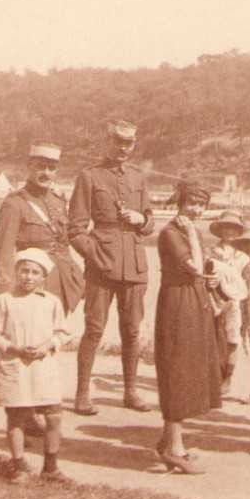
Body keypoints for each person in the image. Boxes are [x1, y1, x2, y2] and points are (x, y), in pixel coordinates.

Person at [0, 141, 84, 436]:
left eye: (51, 167)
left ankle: (40, 405)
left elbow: (64, 242)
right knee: (25, 345)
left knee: (48, 345)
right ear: (29, 167)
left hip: (59, 281)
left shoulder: (57, 200)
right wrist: (6, 292)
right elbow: (4, 250)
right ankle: (26, 414)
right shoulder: (14, 203)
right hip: (29, 284)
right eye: (40, 166)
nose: (46, 172)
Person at [67, 120, 155, 415]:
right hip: (101, 269)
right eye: (118, 141)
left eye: (129, 143)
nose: (123, 148)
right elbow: (75, 230)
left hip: (135, 267)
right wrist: (96, 256)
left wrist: (141, 220)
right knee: (94, 330)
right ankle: (82, 394)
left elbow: (150, 222)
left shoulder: (138, 176)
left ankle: (130, 392)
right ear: (107, 141)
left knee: (132, 331)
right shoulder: (89, 176)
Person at [0, 248, 73, 484]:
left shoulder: (51, 302)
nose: (29, 277)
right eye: (24, 271)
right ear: (16, 272)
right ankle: (19, 466)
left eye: (35, 273)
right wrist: (13, 348)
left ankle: (50, 467)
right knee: (16, 417)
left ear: (43, 277)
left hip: (43, 366)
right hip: (15, 364)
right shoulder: (5, 300)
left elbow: (63, 332)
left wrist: (47, 346)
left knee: (53, 416)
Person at [152, 180, 223, 475]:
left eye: (202, 205)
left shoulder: (191, 232)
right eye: (192, 203)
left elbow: (202, 269)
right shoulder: (170, 233)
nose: (196, 210)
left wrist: (213, 279)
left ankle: (168, 441)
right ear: (180, 203)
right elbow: (192, 265)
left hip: (194, 299)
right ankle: (175, 450)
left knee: (189, 369)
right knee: (177, 370)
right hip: (178, 304)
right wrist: (194, 238)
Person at [206, 209, 250, 406]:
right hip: (212, 300)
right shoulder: (210, 252)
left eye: (234, 228)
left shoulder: (243, 257)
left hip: (235, 302)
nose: (230, 232)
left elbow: (247, 283)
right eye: (226, 228)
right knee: (213, 338)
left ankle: (228, 378)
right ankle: (213, 378)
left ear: (239, 231)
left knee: (233, 340)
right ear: (220, 230)